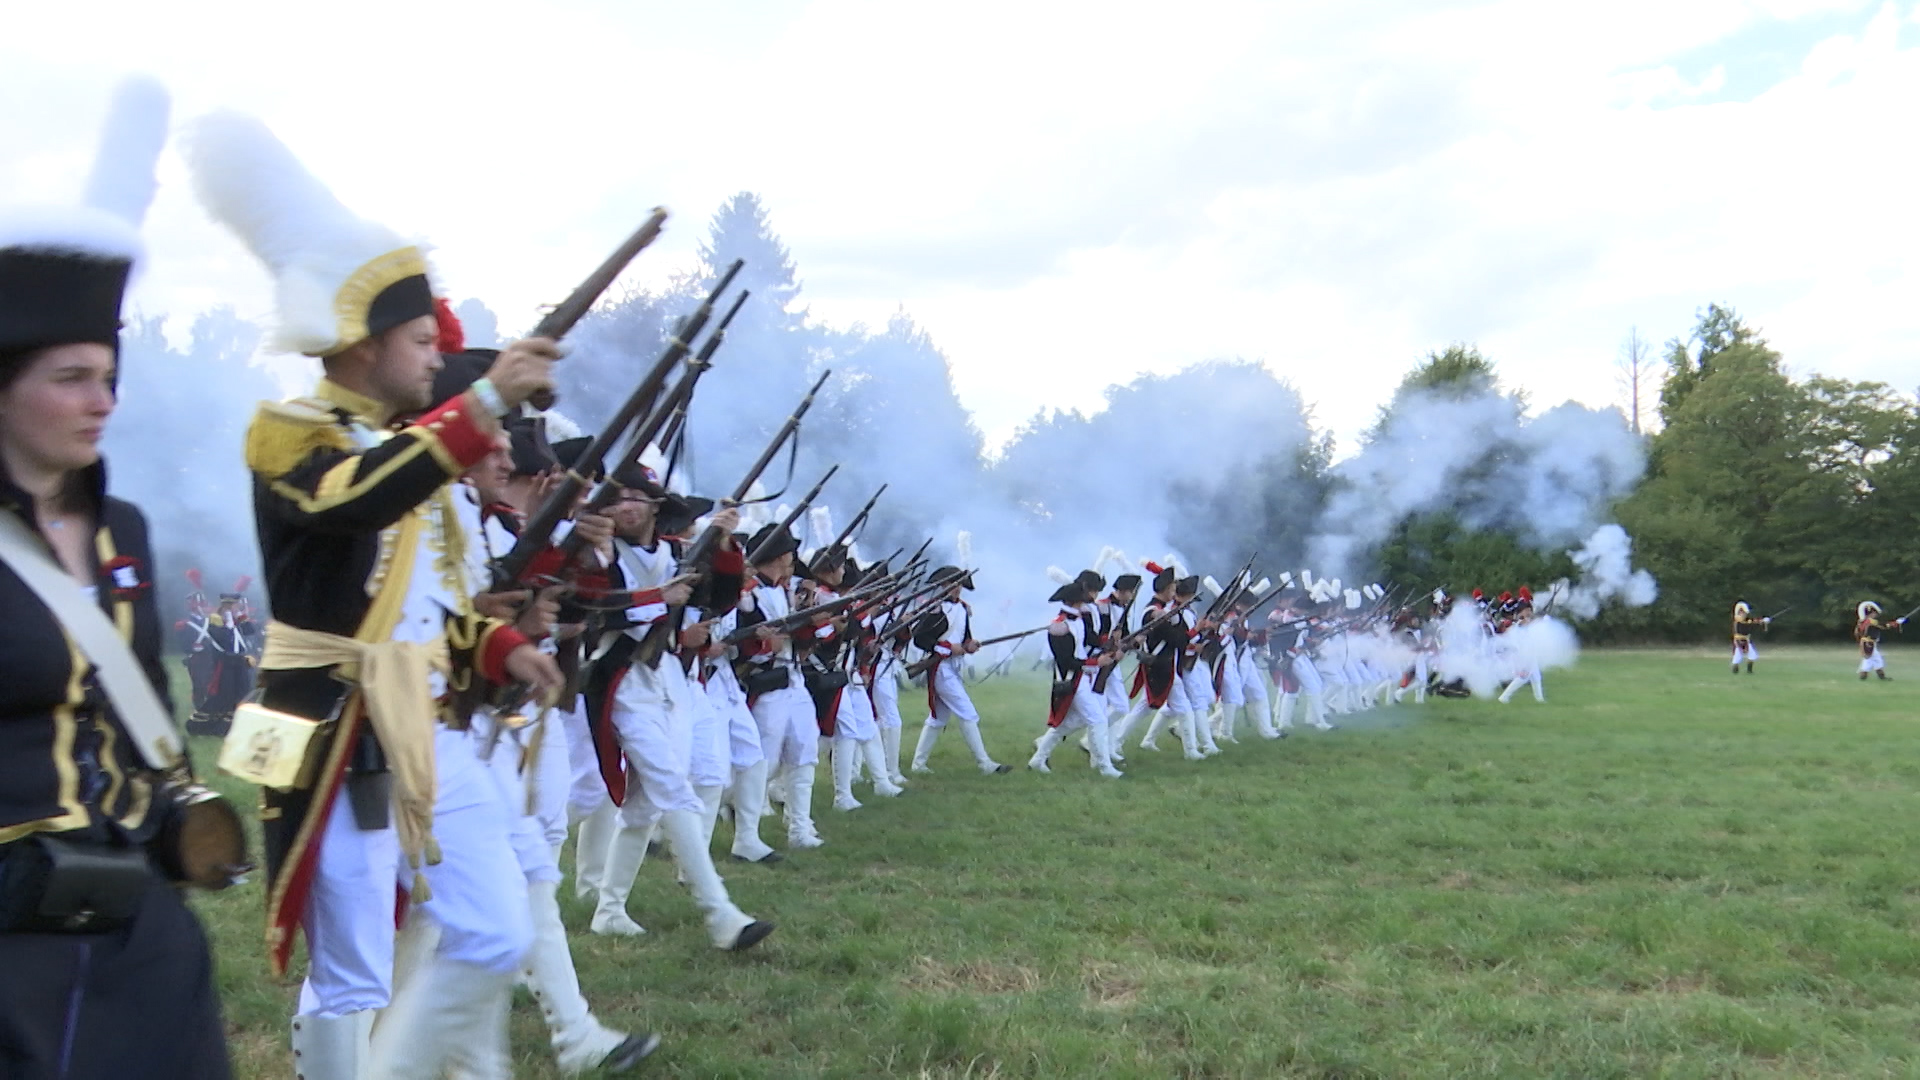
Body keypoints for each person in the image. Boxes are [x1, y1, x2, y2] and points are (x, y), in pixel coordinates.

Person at [187, 110, 565, 1079]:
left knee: (495, 931)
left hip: (428, 720)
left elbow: (443, 600)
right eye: (415, 338)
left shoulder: (423, 453)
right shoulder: (290, 430)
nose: (436, 354)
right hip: (336, 727)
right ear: (360, 344)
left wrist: (503, 649)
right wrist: (481, 408)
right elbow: (352, 502)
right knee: (350, 970)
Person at [0, 74, 233, 1080]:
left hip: (137, 900)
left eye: (108, 374)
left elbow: (147, 698)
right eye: (69, 378)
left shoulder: (121, 528)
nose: (104, 400)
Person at [908, 566, 1012, 774]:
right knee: (968, 713)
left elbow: (964, 637)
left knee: (938, 719)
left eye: (958, 585)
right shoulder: (935, 609)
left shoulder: (963, 609)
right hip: (940, 667)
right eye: (951, 585)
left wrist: (969, 644)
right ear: (942, 586)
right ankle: (984, 763)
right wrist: (947, 649)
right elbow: (920, 639)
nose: (956, 589)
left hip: (953, 666)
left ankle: (918, 764)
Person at [1027, 577, 1124, 778]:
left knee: (1069, 723)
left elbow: (1090, 641)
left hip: (1083, 676)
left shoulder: (1077, 620)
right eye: (1081, 600)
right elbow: (1066, 661)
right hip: (1071, 678)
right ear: (1073, 602)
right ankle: (1105, 768)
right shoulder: (1059, 626)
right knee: (1097, 720)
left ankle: (1038, 759)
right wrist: (1095, 663)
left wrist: (1112, 642)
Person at [1855, 601, 1906, 681]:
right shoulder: (1870, 621)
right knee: (1869, 660)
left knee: (1875, 659)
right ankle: (1866, 676)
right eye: (1874, 612)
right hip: (1869, 643)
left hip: (1868, 643)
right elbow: (1883, 626)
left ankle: (1879, 676)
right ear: (1870, 613)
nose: (1875, 614)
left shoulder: (1862, 621)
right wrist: (1896, 622)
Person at [1730, 601, 1769, 675]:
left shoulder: (1746, 619)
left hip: (1746, 640)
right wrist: (1761, 621)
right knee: (1738, 655)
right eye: (1743, 612)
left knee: (1752, 655)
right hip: (1739, 640)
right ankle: (1735, 670)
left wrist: (1763, 621)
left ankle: (1749, 670)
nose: (1744, 614)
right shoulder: (1738, 618)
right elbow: (1750, 622)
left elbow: (1752, 622)